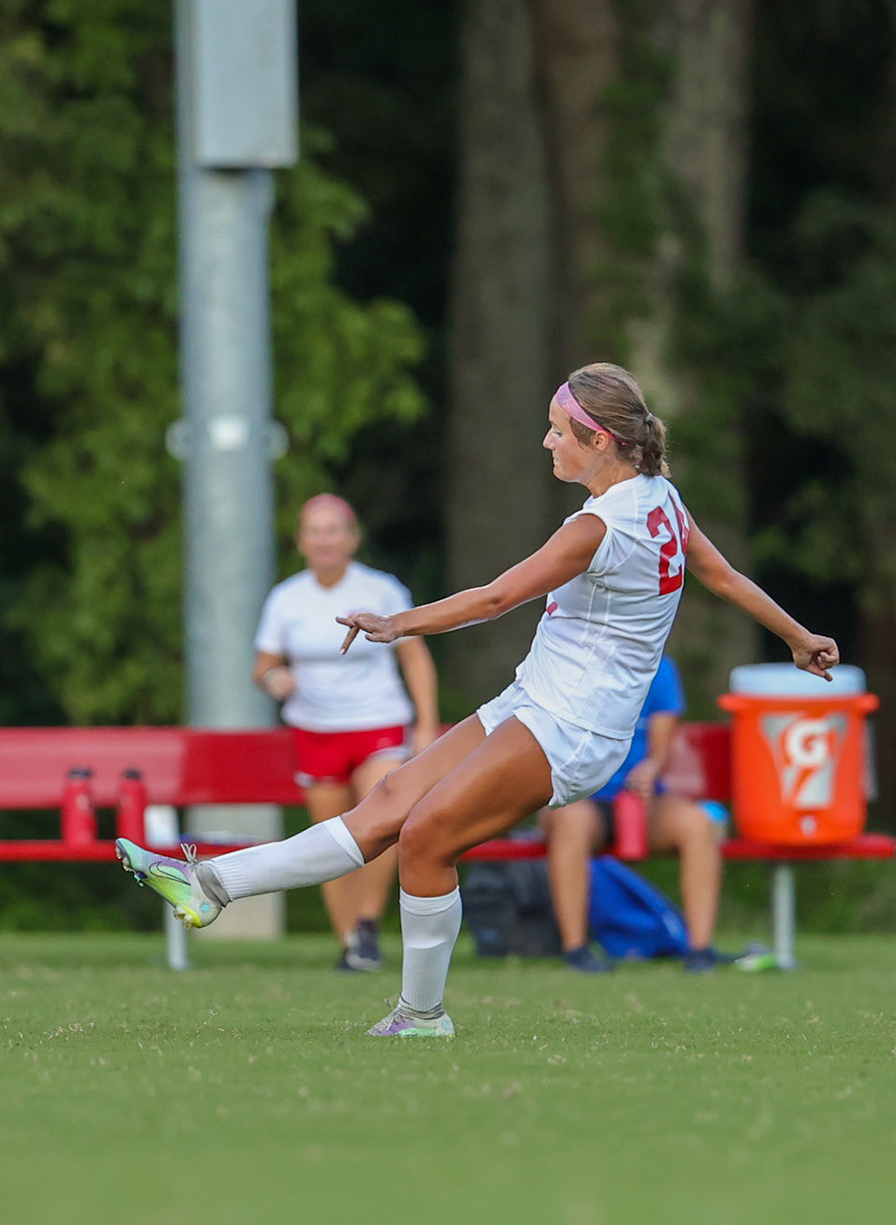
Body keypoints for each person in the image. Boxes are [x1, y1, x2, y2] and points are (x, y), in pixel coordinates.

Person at [117, 362, 837, 1037]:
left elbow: (495, 598)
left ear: (600, 441)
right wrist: (799, 636)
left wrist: (398, 623)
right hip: (534, 702)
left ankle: (421, 1014)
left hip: (571, 727)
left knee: (426, 835)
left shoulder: (599, 525)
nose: (547, 440)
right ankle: (209, 881)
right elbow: (725, 576)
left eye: (560, 429)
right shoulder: (661, 501)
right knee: (392, 801)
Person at [254, 494, 441, 971]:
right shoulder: (286, 598)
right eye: (314, 530)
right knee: (328, 835)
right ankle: (349, 943)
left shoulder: (381, 590)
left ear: (352, 538)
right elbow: (265, 664)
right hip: (315, 730)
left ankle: (368, 922)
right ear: (301, 541)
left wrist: (424, 724)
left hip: (377, 722)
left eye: (333, 529)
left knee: (381, 817)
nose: (324, 539)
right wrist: (276, 679)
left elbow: (415, 658)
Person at [540, 655, 728, 974]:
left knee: (698, 824)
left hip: (640, 801)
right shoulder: (567, 661)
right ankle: (576, 950)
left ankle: (700, 950)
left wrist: (651, 770)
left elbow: (662, 746)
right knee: (571, 821)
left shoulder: (660, 667)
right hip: (577, 797)